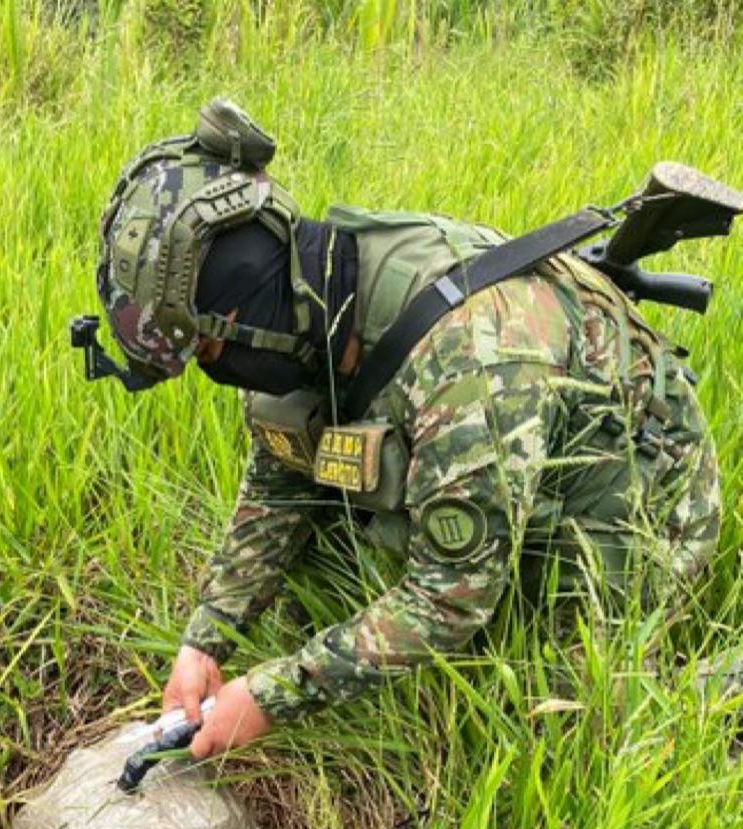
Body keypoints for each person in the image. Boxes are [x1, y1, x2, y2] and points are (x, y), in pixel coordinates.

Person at [91, 100, 723, 761]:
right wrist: (206, 638)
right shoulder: (309, 305)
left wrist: (274, 694)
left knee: (572, 730)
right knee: (323, 565)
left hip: (632, 495)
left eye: (210, 351)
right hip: (512, 455)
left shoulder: (469, 360)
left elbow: (452, 597)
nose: (217, 371)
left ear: (244, 308)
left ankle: (719, 687)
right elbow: (280, 488)